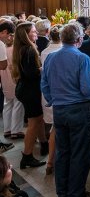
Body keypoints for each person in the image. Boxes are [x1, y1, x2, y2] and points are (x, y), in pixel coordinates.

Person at [40, 23, 90, 197]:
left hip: (59, 109)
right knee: (80, 152)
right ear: (79, 39)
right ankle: (75, 195)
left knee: (63, 152)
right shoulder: (82, 58)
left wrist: (54, 99)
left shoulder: (50, 58)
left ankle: (62, 193)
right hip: (79, 109)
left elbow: (45, 85)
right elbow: (87, 89)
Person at [11, 23, 47, 168]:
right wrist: (45, 67)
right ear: (26, 35)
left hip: (25, 89)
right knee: (33, 123)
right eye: (33, 31)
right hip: (30, 90)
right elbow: (31, 73)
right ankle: (27, 156)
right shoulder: (29, 50)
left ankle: (44, 143)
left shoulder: (21, 49)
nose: (36, 34)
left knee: (37, 120)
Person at [40, 26, 63, 175]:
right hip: (65, 96)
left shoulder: (44, 52)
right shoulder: (63, 53)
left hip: (52, 95)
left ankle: (50, 161)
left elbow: (44, 78)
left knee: (54, 129)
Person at [0, 21, 23, 143]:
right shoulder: (15, 49)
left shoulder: (5, 47)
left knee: (7, 104)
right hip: (14, 78)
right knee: (18, 104)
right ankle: (16, 130)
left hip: (4, 78)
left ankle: (7, 129)